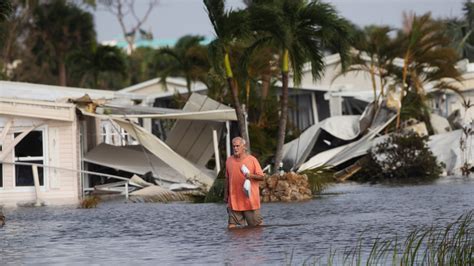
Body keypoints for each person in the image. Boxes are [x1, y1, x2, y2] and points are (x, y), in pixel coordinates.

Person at [224, 137, 265, 228]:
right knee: (231, 227)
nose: (235, 148)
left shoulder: (252, 160)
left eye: (237, 146)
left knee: (258, 227)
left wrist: (250, 176)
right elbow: (227, 179)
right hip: (234, 201)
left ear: (244, 147)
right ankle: (232, 243)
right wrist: (226, 195)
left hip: (250, 201)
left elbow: (262, 177)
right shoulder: (229, 161)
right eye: (233, 146)